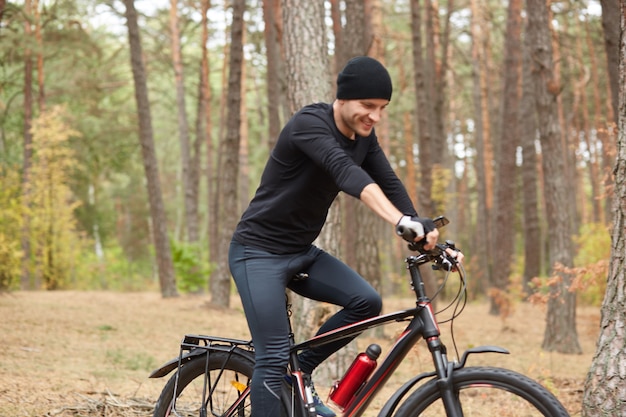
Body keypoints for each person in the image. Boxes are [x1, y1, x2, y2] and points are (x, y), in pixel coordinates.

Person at [228, 56, 452, 417]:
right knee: (271, 358)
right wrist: (399, 221)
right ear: (343, 99)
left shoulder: (365, 137)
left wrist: (422, 232)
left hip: (300, 252)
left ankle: (298, 373)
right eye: (368, 106)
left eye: (382, 108)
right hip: (257, 253)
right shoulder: (309, 124)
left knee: (366, 302)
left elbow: (388, 181)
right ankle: (280, 378)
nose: (375, 116)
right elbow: (346, 173)